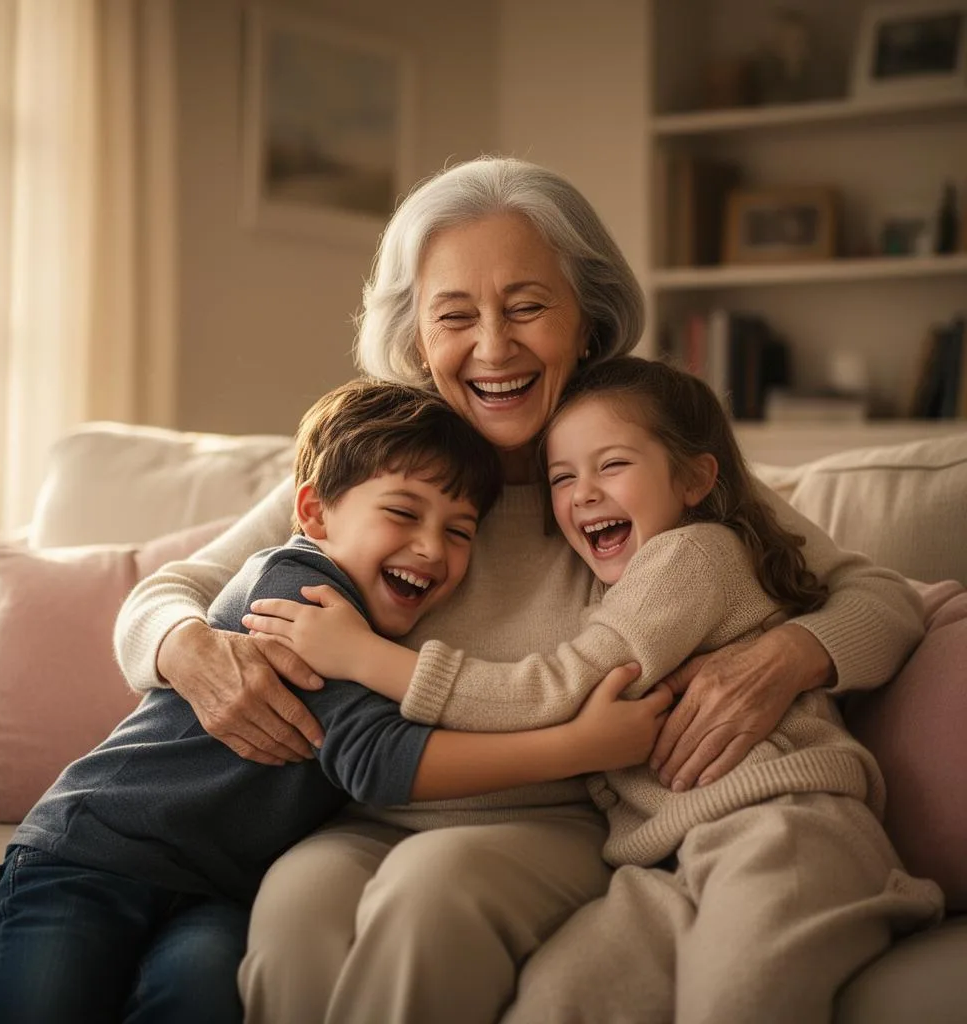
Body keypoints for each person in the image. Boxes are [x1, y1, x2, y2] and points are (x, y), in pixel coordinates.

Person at [114, 156, 925, 1024]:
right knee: (292, 911)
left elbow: (879, 596)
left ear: (588, 320)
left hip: (552, 817)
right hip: (373, 805)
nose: (493, 347)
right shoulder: (381, 466)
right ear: (417, 338)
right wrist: (188, 651)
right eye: (455, 316)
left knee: (429, 897)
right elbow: (166, 592)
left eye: (528, 307)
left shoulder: (631, 461)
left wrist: (790, 655)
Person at [0, 379, 672, 1024]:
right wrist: (577, 745)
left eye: (460, 532)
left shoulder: (369, 618)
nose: (431, 548)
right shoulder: (300, 591)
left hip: (215, 892)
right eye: (403, 514)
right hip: (93, 853)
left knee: (200, 996)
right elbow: (374, 761)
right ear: (313, 513)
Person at [267, 357, 944, 1023]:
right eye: (561, 478)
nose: (583, 493)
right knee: (554, 1003)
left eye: (611, 466)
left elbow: (562, 687)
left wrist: (371, 660)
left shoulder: (690, 552)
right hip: (659, 853)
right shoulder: (386, 449)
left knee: (741, 1000)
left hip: (776, 820)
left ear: (696, 478)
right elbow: (217, 582)